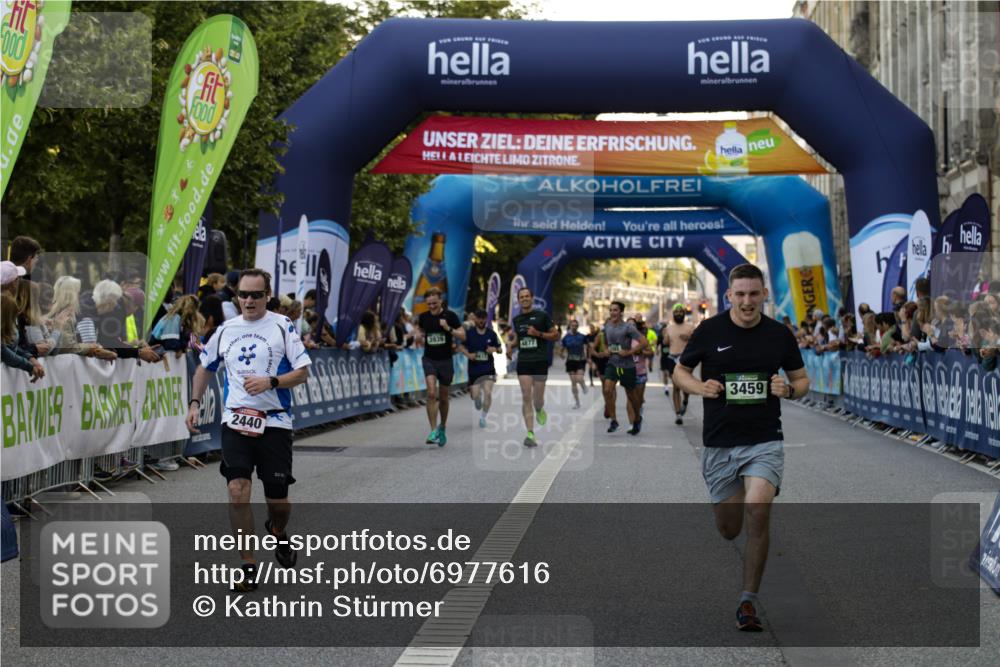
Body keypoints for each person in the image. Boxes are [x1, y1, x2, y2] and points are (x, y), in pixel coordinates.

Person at [671, 263, 809, 632]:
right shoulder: (709, 330)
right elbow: (680, 372)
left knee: (758, 510)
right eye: (741, 294)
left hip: (764, 440)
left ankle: (748, 601)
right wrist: (700, 388)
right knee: (730, 528)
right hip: (720, 444)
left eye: (754, 294)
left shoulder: (779, 335)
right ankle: (737, 549)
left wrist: (790, 390)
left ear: (764, 295)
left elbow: (801, 379)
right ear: (729, 296)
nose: (748, 301)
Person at [185, 269, 311, 591]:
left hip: (275, 422)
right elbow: (204, 367)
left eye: (256, 295)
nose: (249, 301)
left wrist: (272, 381)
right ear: (237, 295)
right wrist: (195, 403)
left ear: (267, 296)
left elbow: (302, 373)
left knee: (278, 503)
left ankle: (278, 532)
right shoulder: (227, 329)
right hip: (236, 422)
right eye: (243, 294)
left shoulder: (282, 326)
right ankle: (248, 566)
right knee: (237, 489)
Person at [508, 287, 559, 448]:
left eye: (527, 296)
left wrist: (539, 334)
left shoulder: (542, 316)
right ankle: (530, 433)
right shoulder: (517, 320)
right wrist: (511, 346)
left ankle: (539, 409)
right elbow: (519, 338)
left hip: (540, 361)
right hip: (524, 361)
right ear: (518, 299)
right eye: (521, 297)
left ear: (532, 298)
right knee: (525, 395)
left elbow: (555, 335)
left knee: (537, 400)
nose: (524, 299)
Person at [414, 288, 465, 446]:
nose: (432, 307)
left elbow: (463, 335)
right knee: (430, 394)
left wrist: (448, 328)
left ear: (441, 301)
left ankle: (442, 427)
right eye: (429, 304)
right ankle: (433, 430)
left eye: (434, 303)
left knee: (443, 398)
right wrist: (418, 335)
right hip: (429, 359)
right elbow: (420, 330)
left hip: (446, 361)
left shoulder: (450, 316)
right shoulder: (423, 317)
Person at [601, 301, 647, 435]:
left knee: (631, 396)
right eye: (610, 310)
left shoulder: (628, 328)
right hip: (613, 363)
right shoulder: (607, 326)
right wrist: (606, 350)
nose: (612, 313)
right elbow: (606, 343)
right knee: (607, 389)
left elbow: (644, 342)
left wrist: (628, 352)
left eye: (615, 310)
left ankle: (637, 419)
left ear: (621, 312)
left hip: (627, 365)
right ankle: (614, 421)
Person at [461, 308, 502, 428]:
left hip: (488, 369)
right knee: (474, 395)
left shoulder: (491, 334)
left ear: (486, 320)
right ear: (475, 320)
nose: (481, 321)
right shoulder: (470, 333)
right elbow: (461, 347)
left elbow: (500, 349)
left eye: (483, 318)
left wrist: (494, 349)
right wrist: (468, 354)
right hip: (474, 369)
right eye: (479, 318)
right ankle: (477, 397)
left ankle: (483, 417)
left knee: (488, 393)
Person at [661, 303, 695, 424]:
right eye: (676, 312)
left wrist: (690, 338)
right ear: (673, 314)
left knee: (685, 386)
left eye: (681, 312)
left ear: (684, 314)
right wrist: (665, 336)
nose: (679, 314)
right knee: (676, 386)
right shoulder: (669, 327)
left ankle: (685, 399)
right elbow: (666, 343)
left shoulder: (691, 327)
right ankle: (678, 414)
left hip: (685, 358)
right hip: (672, 357)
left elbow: (698, 342)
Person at [560, 318, 589, 409]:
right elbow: (562, 349)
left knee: (579, 378)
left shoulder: (582, 336)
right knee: (573, 382)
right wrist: (561, 354)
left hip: (580, 360)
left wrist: (588, 357)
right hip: (570, 361)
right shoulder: (566, 338)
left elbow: (588, 347)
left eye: (576, 326)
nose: (574, 327)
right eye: (573, 325)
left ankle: (583, 385)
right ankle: (577, 402)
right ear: (570, 326)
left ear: (578, 326)